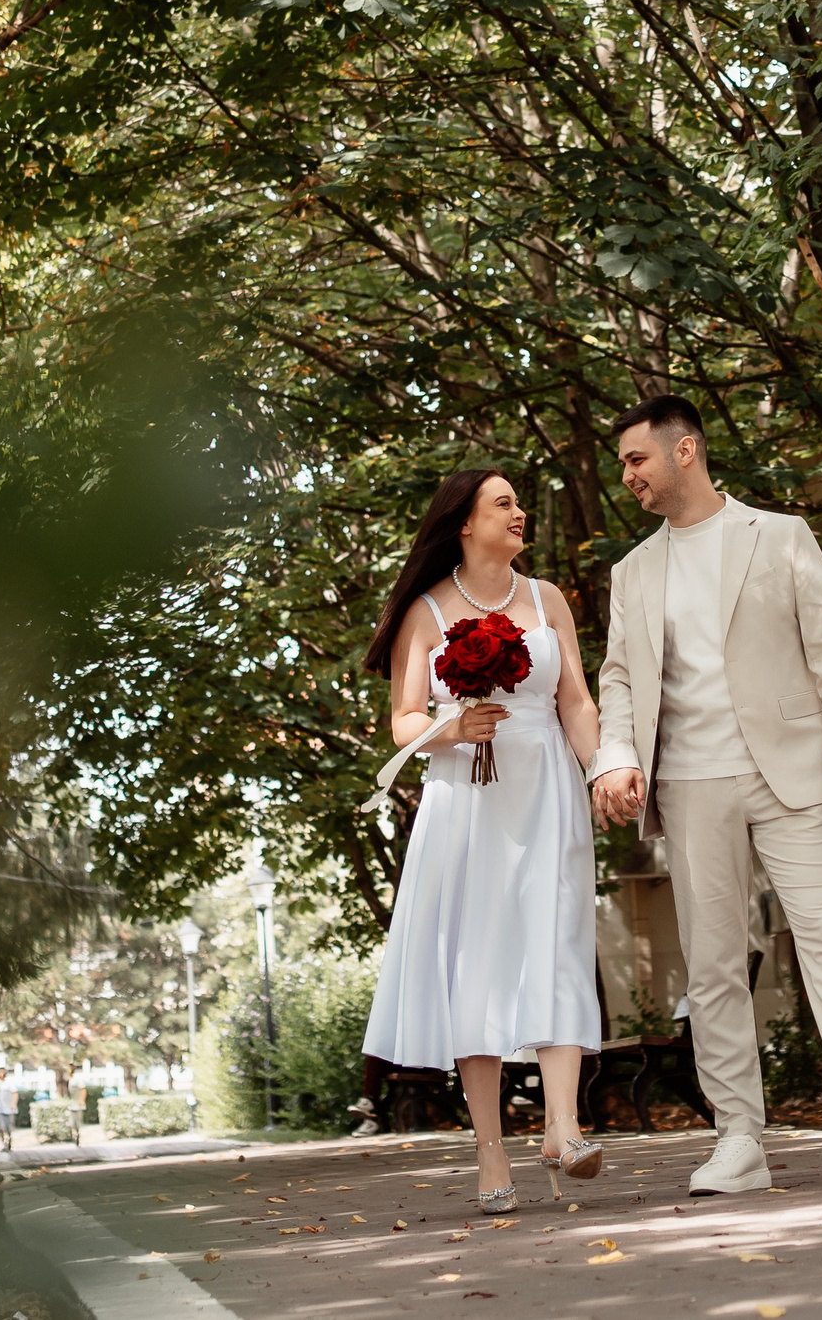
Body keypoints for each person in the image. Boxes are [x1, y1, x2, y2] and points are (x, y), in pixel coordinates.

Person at [588, 394, 822, 1193]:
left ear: (686, 451)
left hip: (791, 766)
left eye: (637, 459)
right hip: (688, 780)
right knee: (712, 961)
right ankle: (739, 1137)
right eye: (620, 466)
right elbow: (617, 678)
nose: (628, 476)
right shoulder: (632, 571)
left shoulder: (779, 534)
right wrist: (613, 756)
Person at [359, 468, 606, 1214]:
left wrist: (604, 773)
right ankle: (491, 1149)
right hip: (466, 800)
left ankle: (563, 1126)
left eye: (519, 502)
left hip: (547, 793)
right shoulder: (427, 612)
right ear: (464, 523)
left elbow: (577, 699)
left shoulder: (547, 599)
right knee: (478, 965)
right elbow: (403, 720)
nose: (520, 512)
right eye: (504, 503)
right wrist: (450, 725)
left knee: (560, 939)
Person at [0, 1068, 20, 1152]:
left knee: (9, 1128)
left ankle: (8, 1143)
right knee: (1, 1127)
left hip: (9, 1110)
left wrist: (14, 1104)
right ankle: (3, 1143)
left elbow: (15, 1094)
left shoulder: (9, 1084)